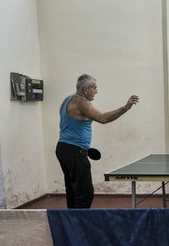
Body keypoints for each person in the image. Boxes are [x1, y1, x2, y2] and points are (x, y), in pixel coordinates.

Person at [56, 74, 139, 208]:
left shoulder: (67, 100)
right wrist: (125, 108)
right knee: (85, 192)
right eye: (94, 88)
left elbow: (72, 125)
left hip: (62, 149)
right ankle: (81, 224)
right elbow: (103, 118)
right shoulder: (82, 102)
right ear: (85, 89)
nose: (96, 91)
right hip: (74, 150)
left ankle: (72, 223)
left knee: (72, 190)